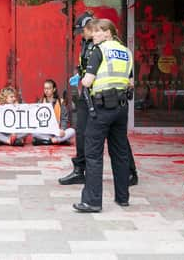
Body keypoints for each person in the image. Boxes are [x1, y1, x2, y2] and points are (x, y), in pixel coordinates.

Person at [73, 18, 134, 213]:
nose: (94, 35)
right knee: (120, 152)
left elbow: (88, 81)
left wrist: (82, 79)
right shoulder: (126, 51)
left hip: (101, 108)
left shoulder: (99, 51)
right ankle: (123, 197)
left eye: (98, 31)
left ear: (108, 33)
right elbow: (131, 82)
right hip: (121, 107)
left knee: (93, 154)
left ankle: (92, 201)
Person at [59, 12, 95, 184]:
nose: (82, 34)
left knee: (114, 137)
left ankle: (129, 171)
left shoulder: (100, 44)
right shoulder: (86, 43)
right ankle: (79, 169)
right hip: (86, 93)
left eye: (83, 30)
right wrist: (78, 75)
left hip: (99, 95)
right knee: (80, 131)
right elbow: (85, 66)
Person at [32, 79, 75, 145]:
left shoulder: (61, 102)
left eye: (48, 88)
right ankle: (56, 140)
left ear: (54, 89)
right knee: (34, 132)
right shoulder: (40, 102)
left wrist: (62, 130)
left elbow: (64, 119)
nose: (46, 90)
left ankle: (48, 141)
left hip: (57, 131)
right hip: (46, 131)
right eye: (45, 88)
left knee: (72, 131)